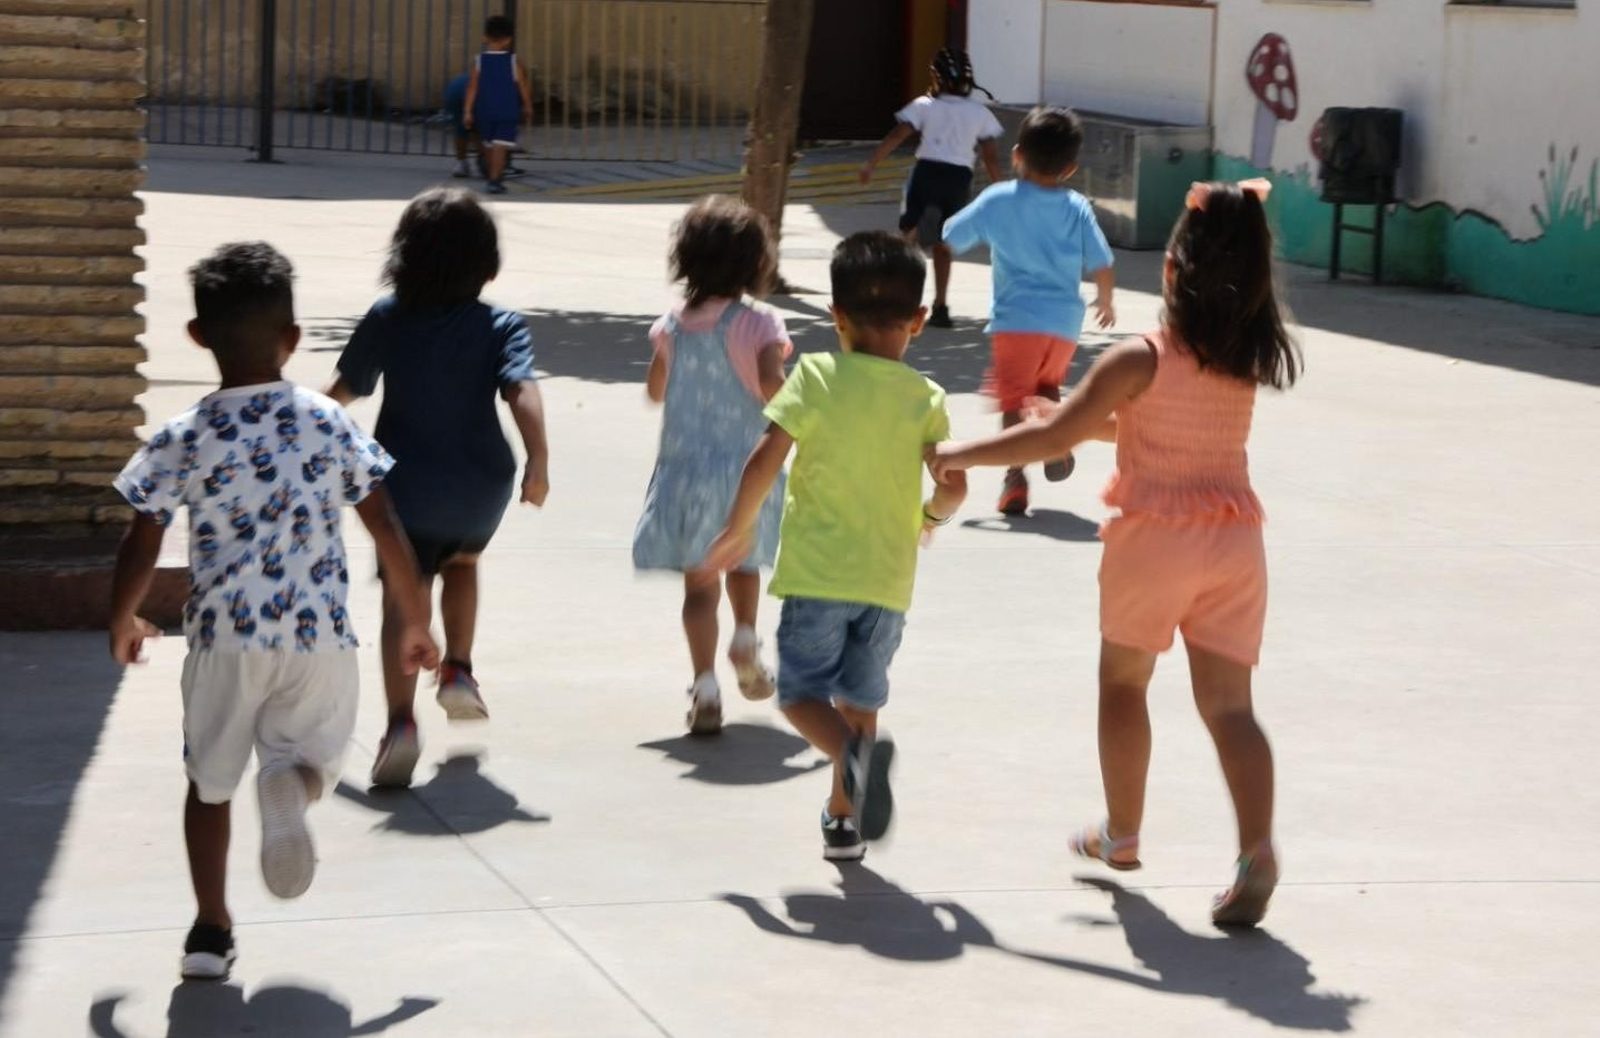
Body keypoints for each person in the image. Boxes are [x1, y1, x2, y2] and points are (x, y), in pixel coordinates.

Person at [930, 180, 1299, 927]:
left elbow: (1052, 442)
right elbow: (1153, 428)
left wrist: (960, 451)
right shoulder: (1242, 360)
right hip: (1233, 541)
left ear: (1169, 271)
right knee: (1231, 708)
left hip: (1154, 541)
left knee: (1124, 686)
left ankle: (1122, 833)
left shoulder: (1140, 357)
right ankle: (1256, 848)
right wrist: (1066, 418)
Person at [108, 242, 439, 980]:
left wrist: (123, 618)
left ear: (198, 336)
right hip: (317, 634)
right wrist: (416, 619)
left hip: (226, 637)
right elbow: (386, 527)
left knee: (209, 784)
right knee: (312, 757)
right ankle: (294, 789)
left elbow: (142, 536)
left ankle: (209, 933)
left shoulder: (185, 433)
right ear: (293, 340)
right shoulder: (327, 421)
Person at [707, 231, 968, 862]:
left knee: (800, 695)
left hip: (819, 576)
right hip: (887, 583)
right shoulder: (926, 398)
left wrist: (738, 528)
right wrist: (930, 514)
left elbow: (766, 458)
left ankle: (854, 763)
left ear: (837, 317)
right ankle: (844, 820)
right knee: (859, 700)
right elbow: (952, 490)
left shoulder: (817, 375)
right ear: (920, 320)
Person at [326, 187, 550, 789]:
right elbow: (522, 392)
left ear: (403, 257)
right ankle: (458, 670)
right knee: (464, 563)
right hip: (480, 483)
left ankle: (401, 723)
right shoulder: (501, 323)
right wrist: (539, 461)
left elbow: (345, 389)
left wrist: (301, 421)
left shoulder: (388, 316)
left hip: (403, 489)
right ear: (488, 265)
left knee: (404, 595)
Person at [633, 195, 792, 734]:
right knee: (743, 564)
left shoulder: (671, 326)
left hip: (685, 473)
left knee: (699, 588)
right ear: (755, 263)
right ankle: (745, 634)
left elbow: (656, 390)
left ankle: (703, 684)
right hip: (747, 472)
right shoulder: (761, 323)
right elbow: (774, 387)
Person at [943, 105, 1116, 516]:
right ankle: (1057, 442)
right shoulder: (1076, 206)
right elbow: (1102, 261)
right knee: (1046, 391)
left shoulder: (998, 199)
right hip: (1064, 325)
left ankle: (1014, 478)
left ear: (1017, 154)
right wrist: (1105, 300)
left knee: (1012, 401)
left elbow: (951, 234)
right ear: (1070, 168)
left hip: (1017, 320)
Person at [859, 49, 1003, 329]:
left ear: (936, 78)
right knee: (943, 243)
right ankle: (940, 306)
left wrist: (871, 165)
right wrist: (1004, 192)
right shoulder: (980, 113)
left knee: (908, 238)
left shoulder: (925, 105)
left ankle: (898, 301)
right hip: (958, 179)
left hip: (926, 174)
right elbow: (991, 158)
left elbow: (898, 134)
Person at [463, 15, 532, 195]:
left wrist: (467, 111)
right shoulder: (514, 62)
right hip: (507, 110)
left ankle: (488, 169)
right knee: (500, 146)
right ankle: (495, 180)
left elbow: (472, 88)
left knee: (488, 144)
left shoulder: (478, 62)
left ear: (485, 37)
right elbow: (522, 86)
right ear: (508, 40)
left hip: (484, 110)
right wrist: (527, 105)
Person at [443, 72, 478, 179]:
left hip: (453, 93)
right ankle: (485, 161)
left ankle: (461, 163)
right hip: (468, 94)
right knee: (481, 130)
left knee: (461, 128)